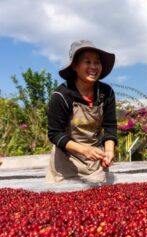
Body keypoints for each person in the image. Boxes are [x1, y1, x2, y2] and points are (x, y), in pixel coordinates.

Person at [46, 40, 117, 183]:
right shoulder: (62, 95)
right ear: (75, 66)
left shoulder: (106, 92)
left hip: (95, 163)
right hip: (65, 164)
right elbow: (55, 134)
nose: (93, 67)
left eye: (97, 62)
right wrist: (84, 150)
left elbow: (110, 126)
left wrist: (109, 151)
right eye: (87, 62)